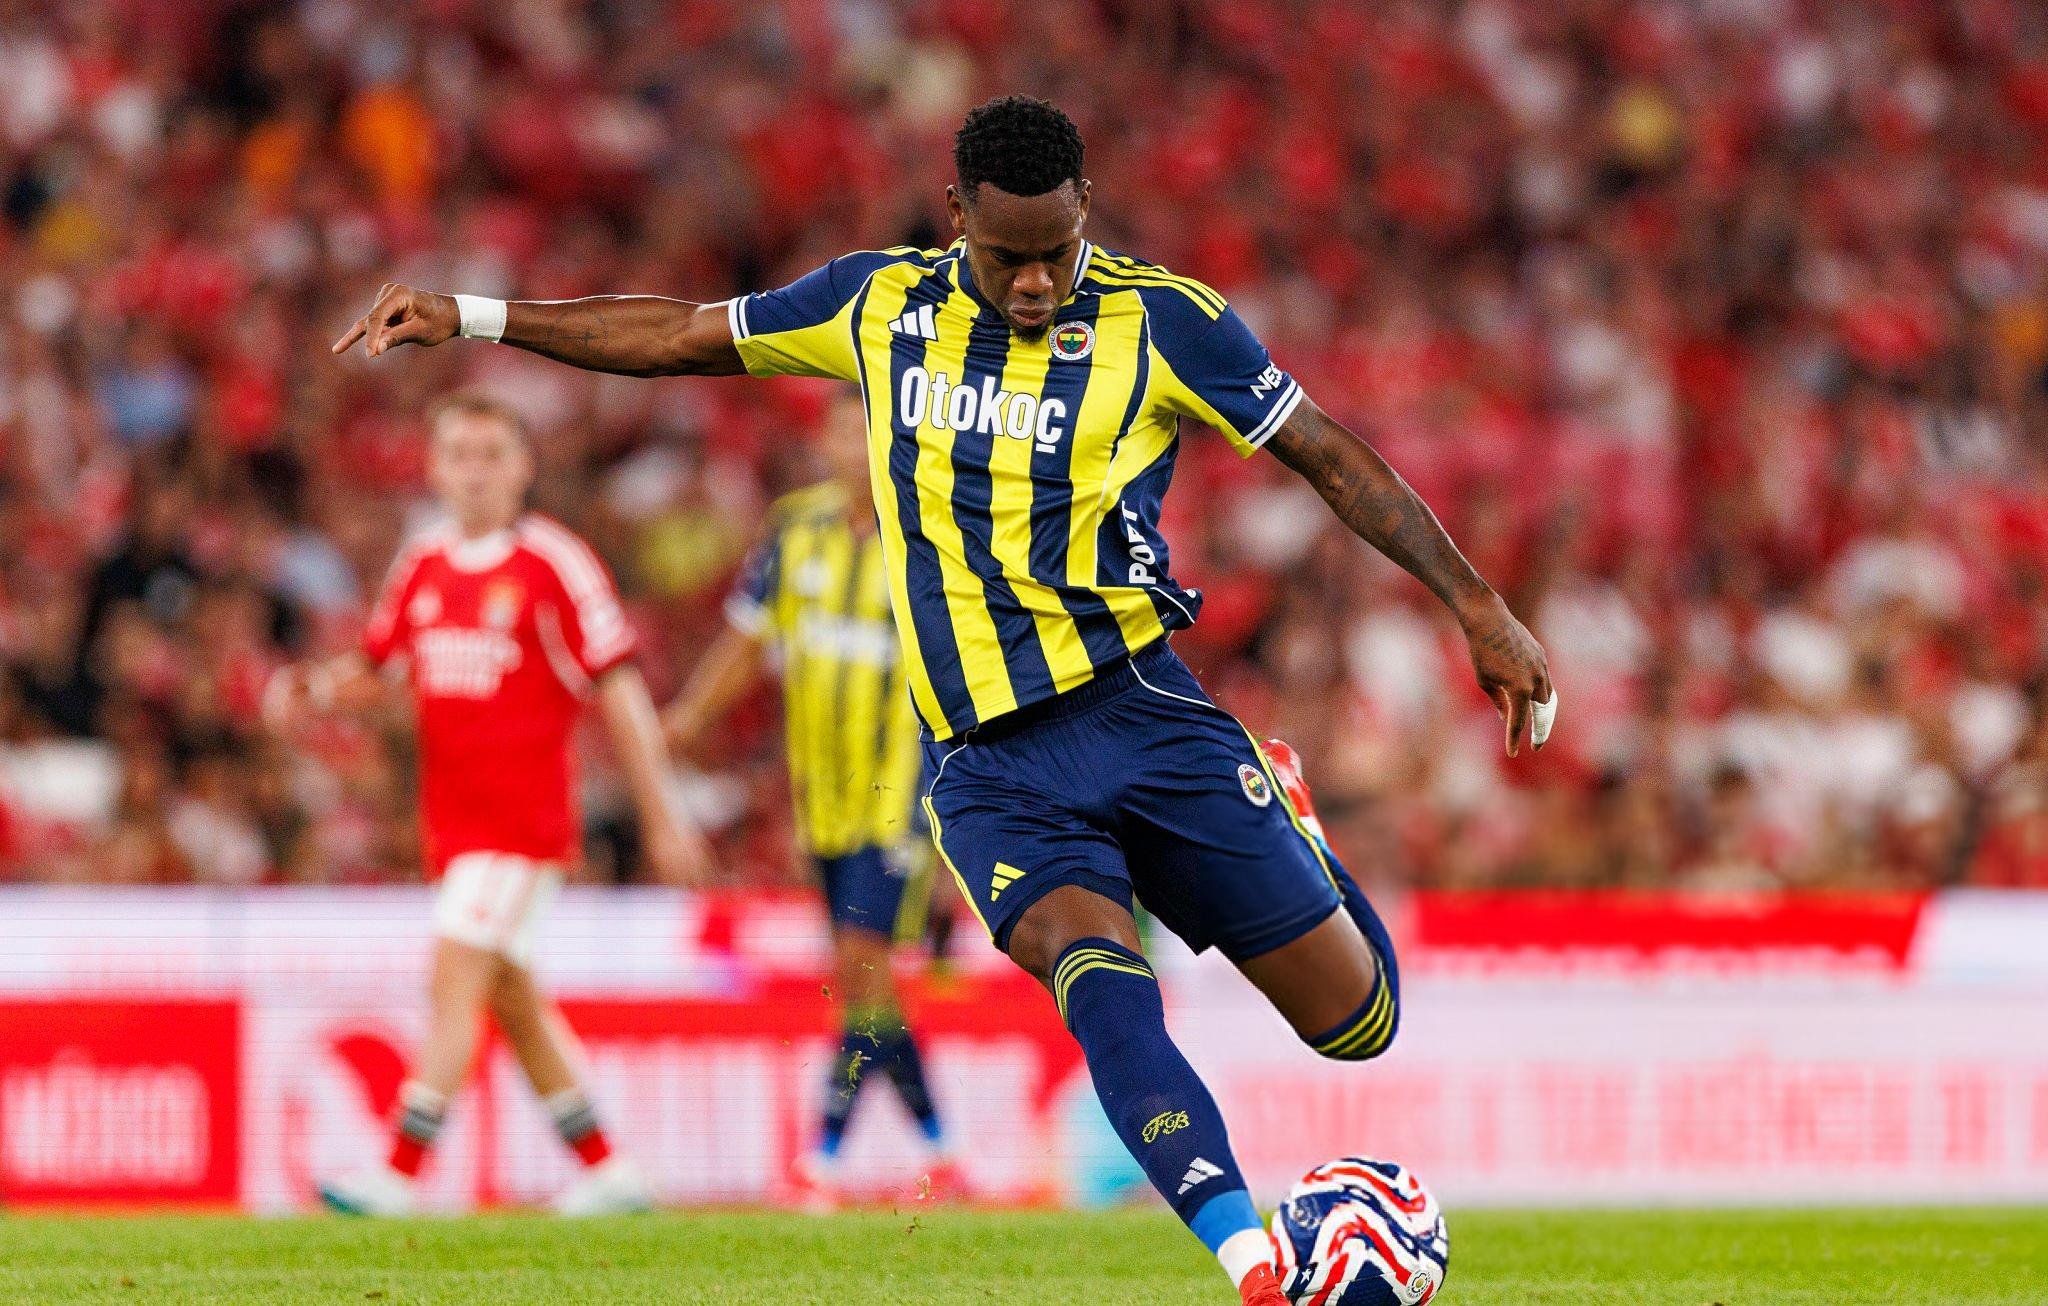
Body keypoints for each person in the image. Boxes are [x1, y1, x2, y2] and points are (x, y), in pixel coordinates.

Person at [333, 95, 1554, 1302]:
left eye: (1056, 252)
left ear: (1087, 212)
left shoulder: (1163, 321)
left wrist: (1477, 606)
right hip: (988, 770)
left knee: (1356, 1024)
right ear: (955, 213)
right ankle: (1255, 1267)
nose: (1033, 282)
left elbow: (1325, 453)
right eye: (1006, 255)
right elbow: (676, 334)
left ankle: (1287, 817)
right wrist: (474, 315)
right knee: (1099, 982)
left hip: (1141, 711)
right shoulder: (877, 305)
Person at [269, 391, 710, 1216]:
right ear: (433, 468)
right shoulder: (423, 563)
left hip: (523, 828)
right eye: (459, 455)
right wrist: (315, 689)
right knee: (511, 999)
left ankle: (397, 1175)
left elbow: (619, 689)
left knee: (454, 977)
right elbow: (380, 666)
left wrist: (663, 816)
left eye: (492, 455)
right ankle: (609, 1171)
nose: (475, 472)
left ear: (523, 468)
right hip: (453, 826)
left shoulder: (555, 563)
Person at [663, 388, 962, 1208]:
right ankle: (942, 1148)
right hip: (820, 797)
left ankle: (822, 1157)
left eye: (864, 434)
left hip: (899, 794)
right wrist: (688, 714)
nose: (850, 450)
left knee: (861, 965)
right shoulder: (795, 529)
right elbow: (746, 638)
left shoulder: (933, 536)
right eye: (837, 435)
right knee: (866, 981)